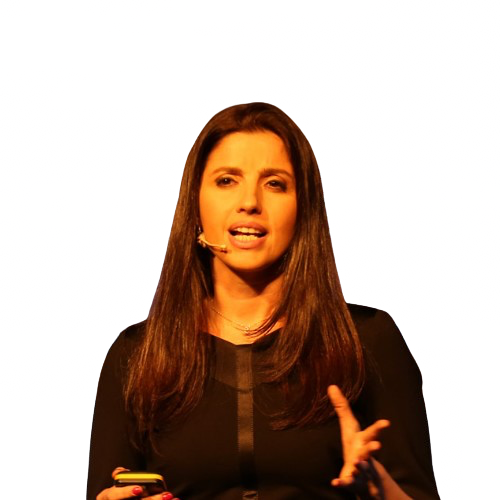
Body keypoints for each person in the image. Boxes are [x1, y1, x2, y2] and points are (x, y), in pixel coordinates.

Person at [86, 102, 440, 500]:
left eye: (275, 183)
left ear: (302, 208)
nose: (250, 202)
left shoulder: (367, 340)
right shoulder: (137, 355)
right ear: (195, 204)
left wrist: (379, 488)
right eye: (226, 181)